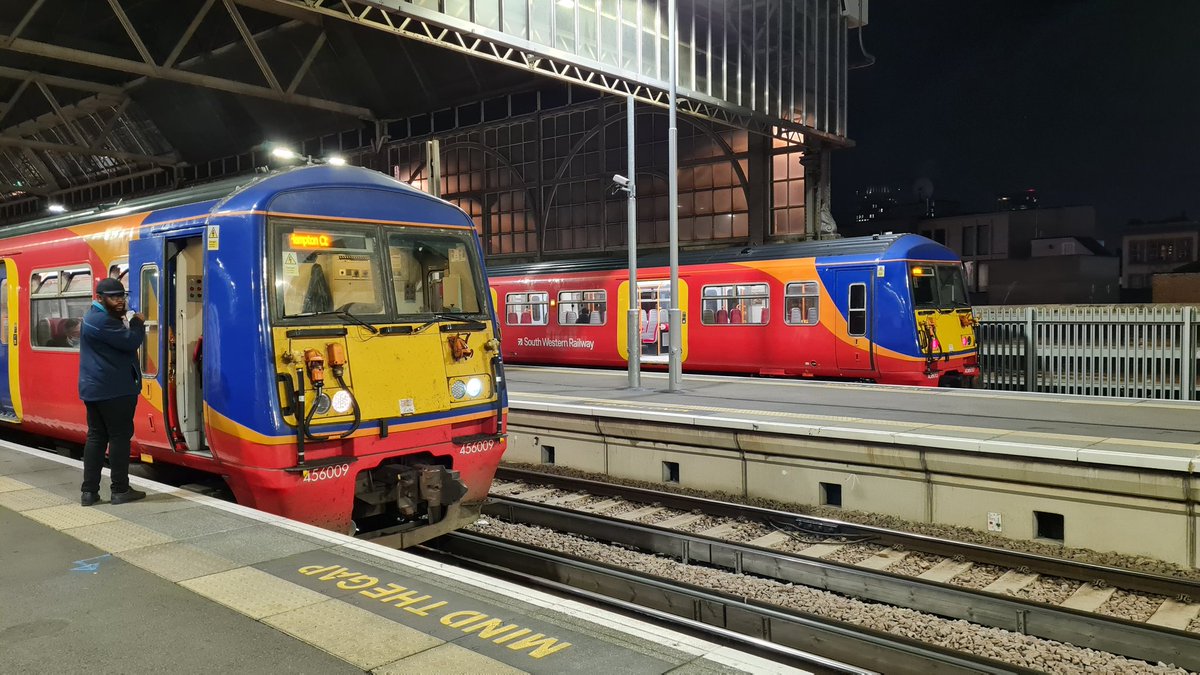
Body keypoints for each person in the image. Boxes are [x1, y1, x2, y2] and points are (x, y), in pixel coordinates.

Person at [78, 278, 147, 506]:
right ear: (99, 298)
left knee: (96, 437)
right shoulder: (102, 321)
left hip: (96, 389)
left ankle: (89, 492)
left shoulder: (94, 317)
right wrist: (137, 323)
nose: (119, 301)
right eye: (113, 297)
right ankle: (120, 489)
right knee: (119, 437)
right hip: (113, 390)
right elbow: (130, 341)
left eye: (121, 296)